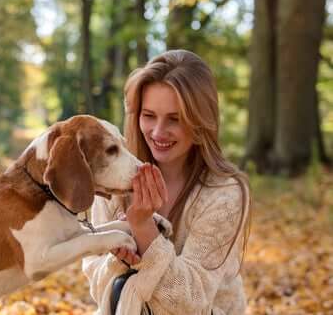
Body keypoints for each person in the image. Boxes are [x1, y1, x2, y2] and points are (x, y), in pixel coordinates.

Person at [82, 50, 251, 315]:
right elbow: (97, 282)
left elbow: (191, 303)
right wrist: (120, 260)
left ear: (200, 122)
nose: (158, 132)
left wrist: (143, 229)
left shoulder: (224, 194)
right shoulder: (113, 179)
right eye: (149, 115)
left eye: (175, 119)